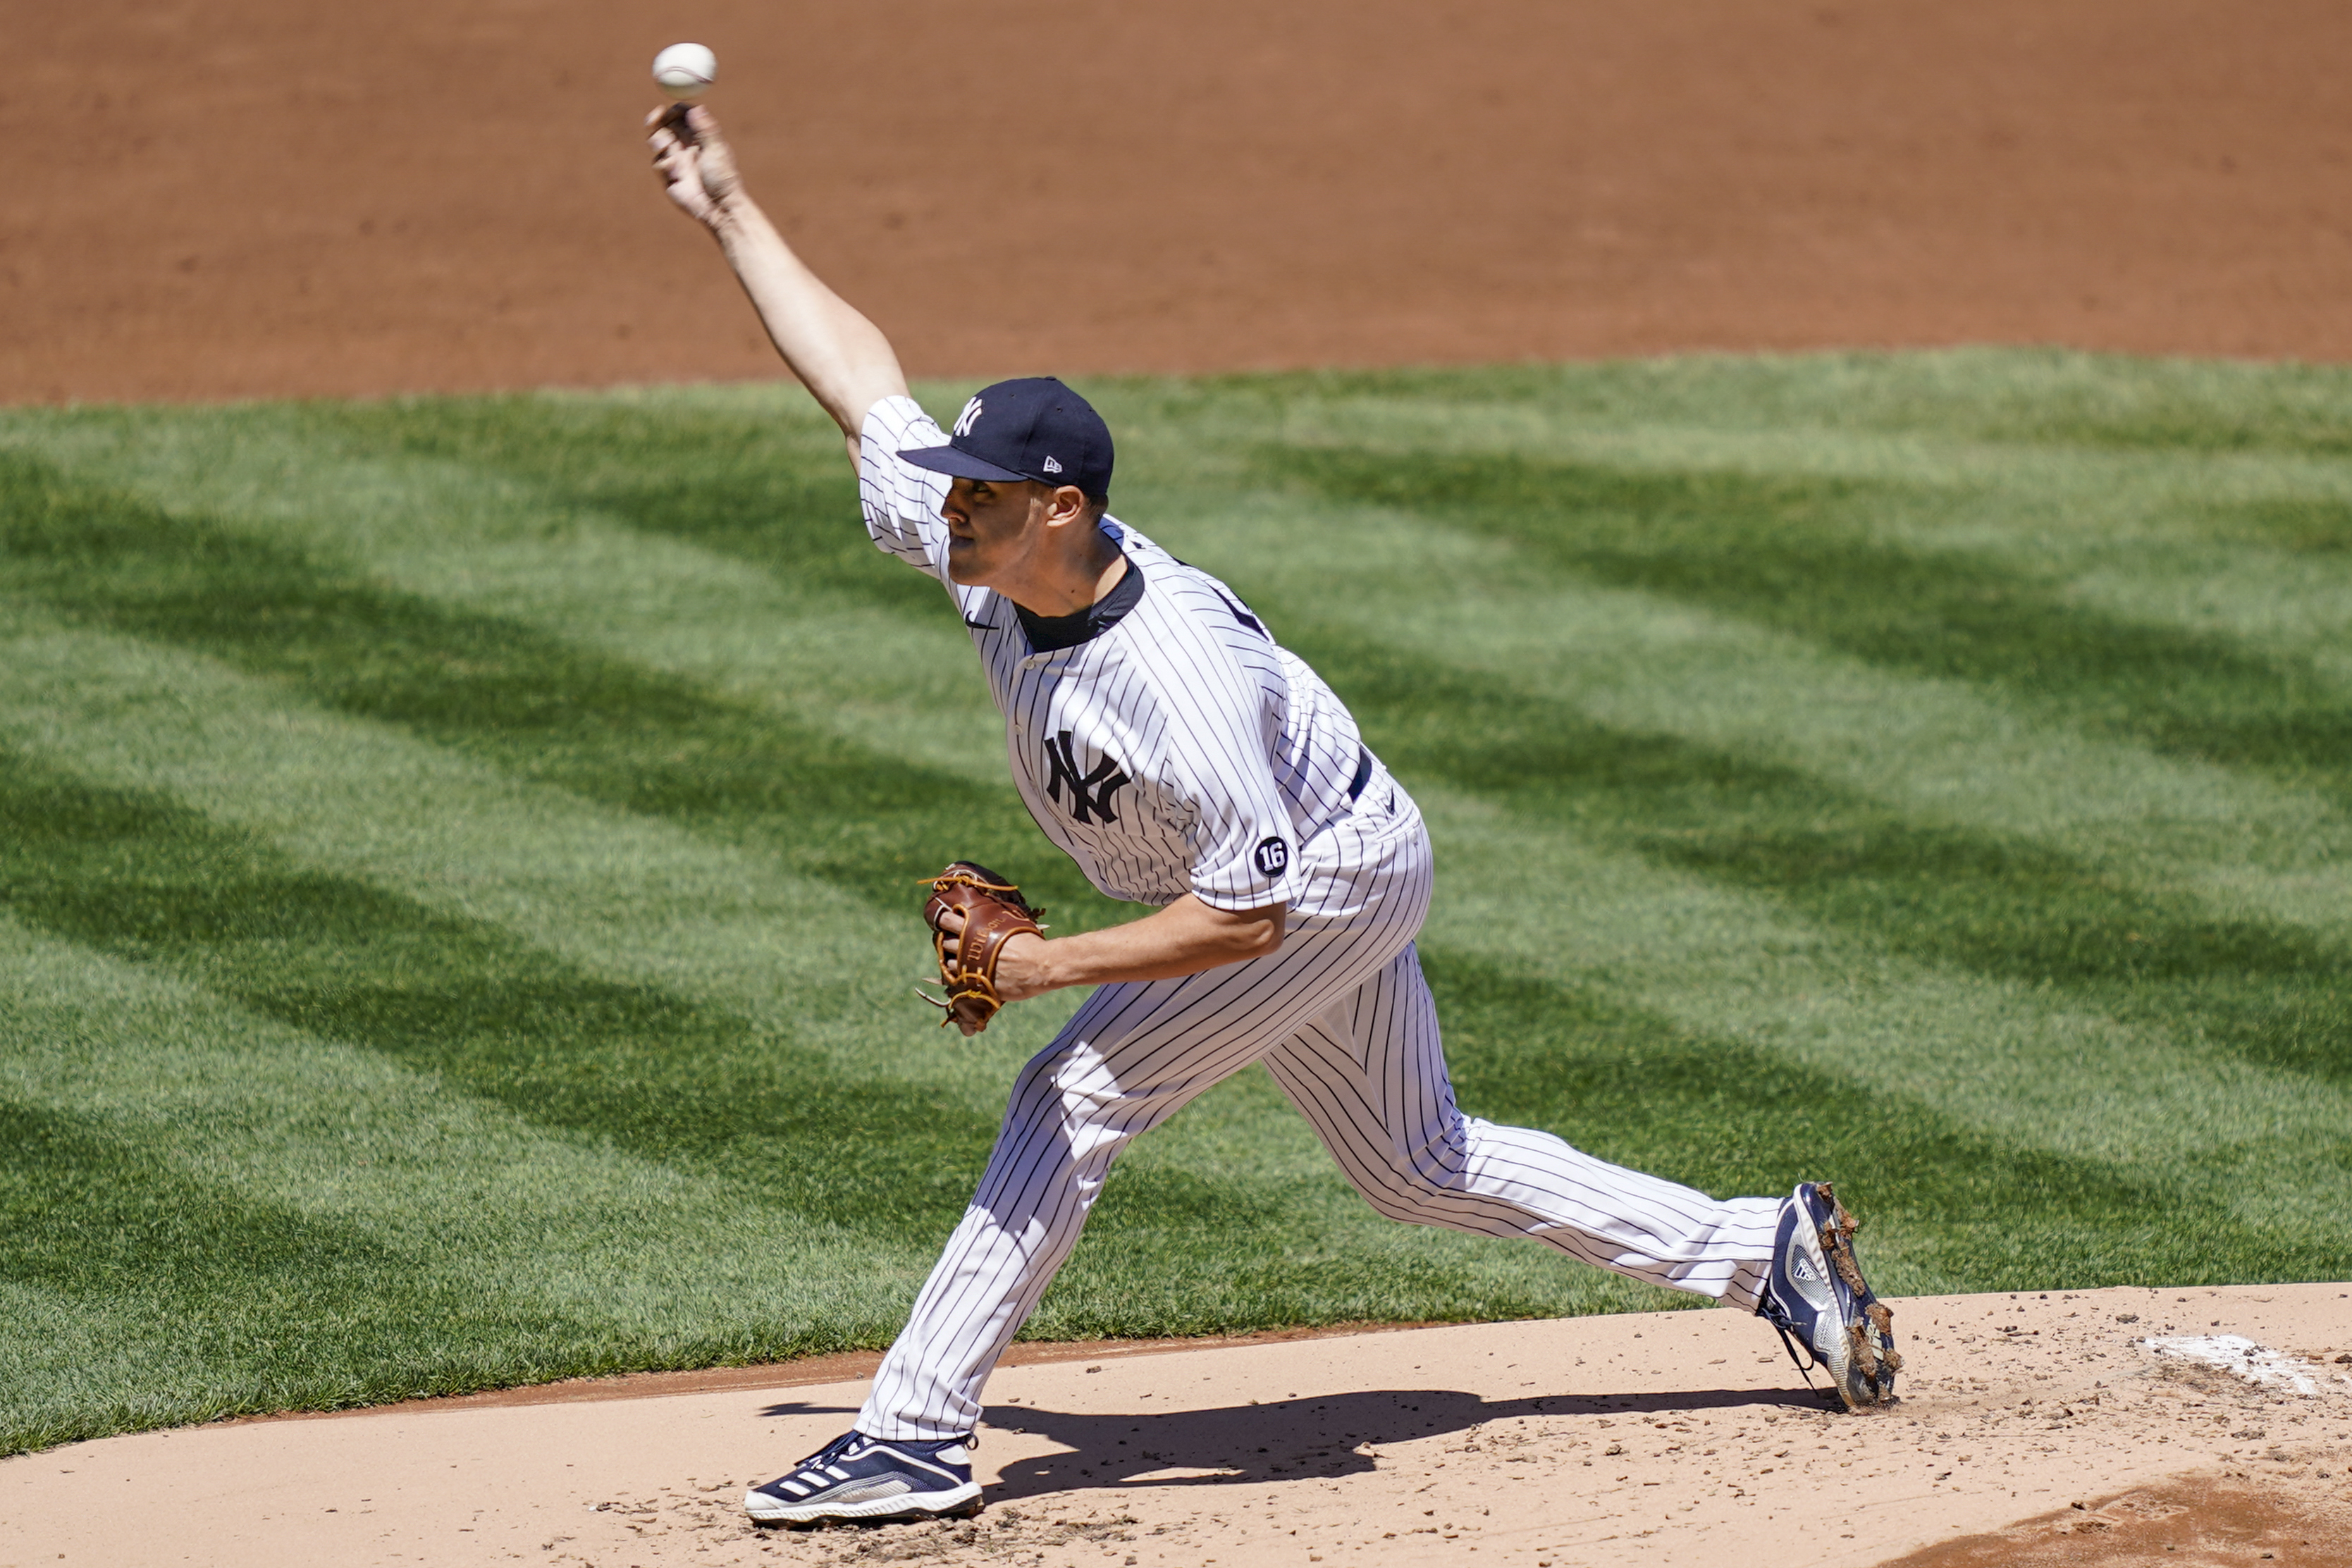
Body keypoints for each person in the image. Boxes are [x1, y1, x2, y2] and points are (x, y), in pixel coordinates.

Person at [644, 101, 1901, 1530]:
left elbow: (1248, 918)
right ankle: (1767, 1250)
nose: (950, 513)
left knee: (1071, 1096)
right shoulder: (992, 560)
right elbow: (864, 387)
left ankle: (913, 1433)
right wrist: (729, 207)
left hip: (1328, 881)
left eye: (980, 497)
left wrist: (1047, 967)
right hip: (1280, 870)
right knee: (1415, 1165)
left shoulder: (1176, 677)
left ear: (1060, 508)